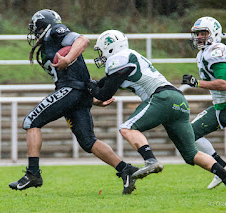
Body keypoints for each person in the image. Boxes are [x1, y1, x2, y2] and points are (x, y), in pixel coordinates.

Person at [87, 29, 226, 192]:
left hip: (162, 98)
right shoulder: (129, 58)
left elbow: (104, 93)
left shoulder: (118, 59)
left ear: (110, 47)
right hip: (179, 100)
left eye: (101, 51)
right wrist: (89, 87)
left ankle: (150, 160)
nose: (101, 56)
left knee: (127, 128)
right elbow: (102, 85)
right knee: (191, 153)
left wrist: (87, 87)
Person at [8, 9, 139, 195]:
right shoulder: (48, 43)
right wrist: (91, 98)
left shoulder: (55, 30)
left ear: (42, 25)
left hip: (70, 89)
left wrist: (67, 59)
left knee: (31, 122)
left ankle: (33, 174)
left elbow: (82, 40)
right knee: (88, 141)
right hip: (78, 92)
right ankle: (125, 169)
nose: (34, 32)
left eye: (35, 28)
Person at [181, 16, 226, 189]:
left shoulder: (217, 51)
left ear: (215, 34)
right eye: (197, 34)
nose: (199, 38)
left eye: (203, 33)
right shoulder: (203, 53)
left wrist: (196, 83)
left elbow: (223, 83)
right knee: (189, 134)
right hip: (220, 107)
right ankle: (223, 168)